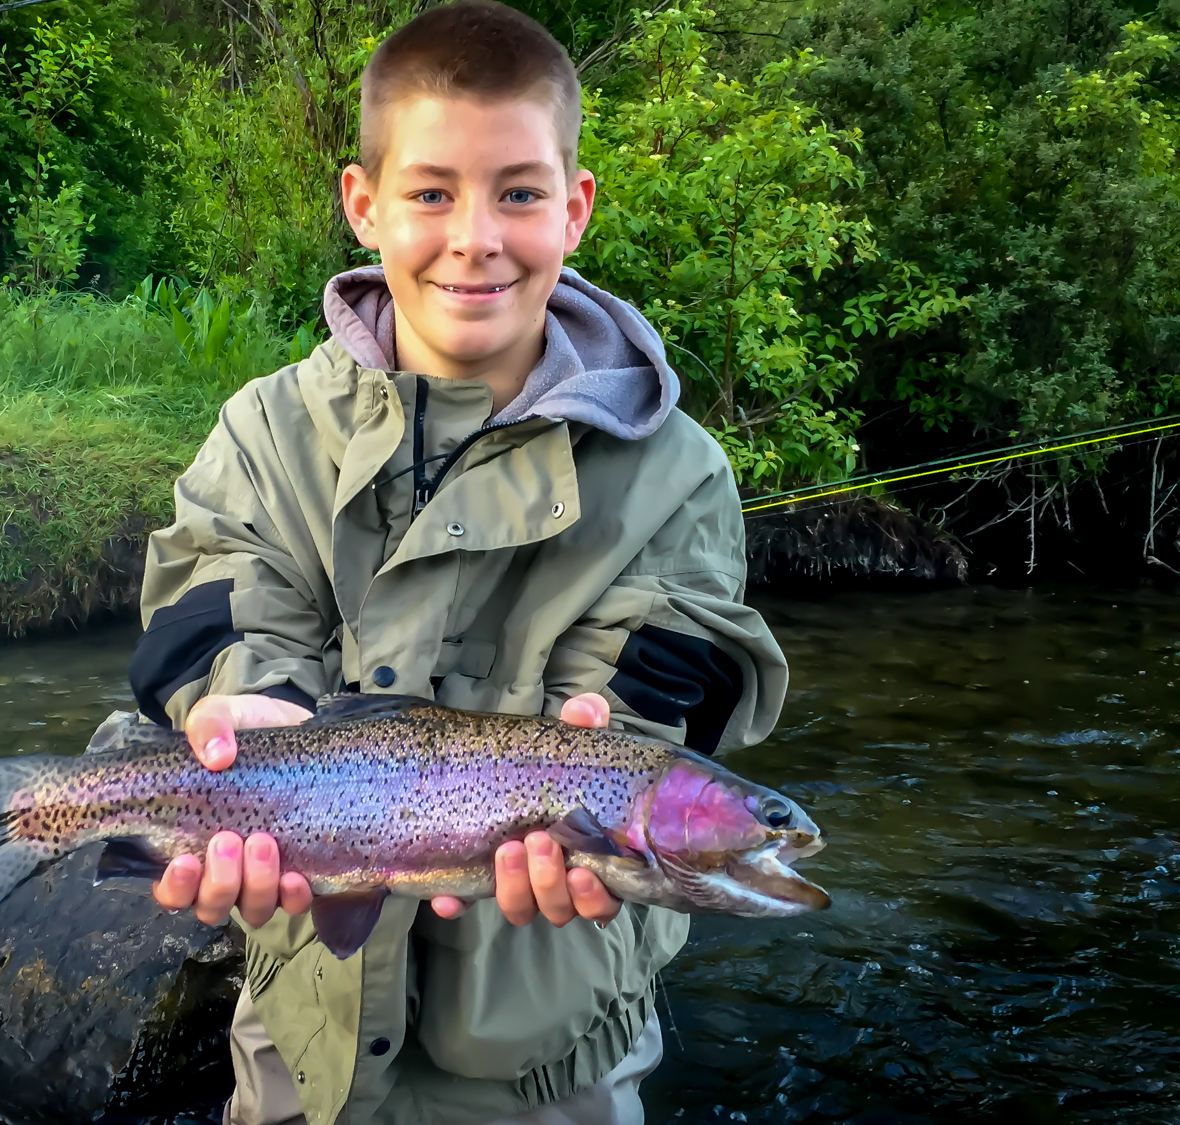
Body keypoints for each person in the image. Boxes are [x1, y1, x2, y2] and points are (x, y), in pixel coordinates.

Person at [127, 2, 789, 1121]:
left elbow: (663, 698)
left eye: (518, 194)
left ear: (575, 209)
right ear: (363, 204)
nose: (476, 236)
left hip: (556, 1058)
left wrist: (617, 745)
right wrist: (248, 708)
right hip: (303, 1036)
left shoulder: (677, 472)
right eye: (432, 193)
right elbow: (213, 601)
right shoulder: (266, 431)